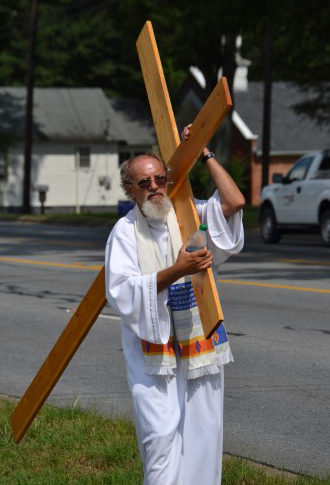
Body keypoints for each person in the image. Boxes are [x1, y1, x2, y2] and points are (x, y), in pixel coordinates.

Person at [105, 125, 245, 485]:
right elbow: (121, 292)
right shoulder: (125, 232)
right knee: (161, 438)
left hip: (199, 345)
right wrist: (177, 270)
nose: (154, 187)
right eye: (144, 183)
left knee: (204, 433)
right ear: (130, 191)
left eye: (160, 179)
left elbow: (234, 203)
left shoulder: (187, 213)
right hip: (154, 356)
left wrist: (205, 153)